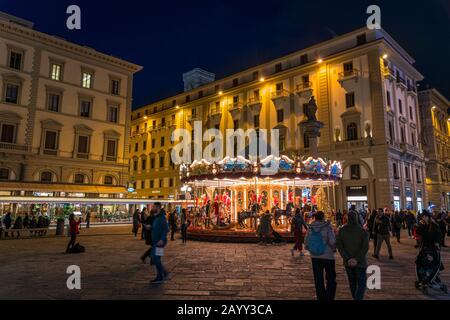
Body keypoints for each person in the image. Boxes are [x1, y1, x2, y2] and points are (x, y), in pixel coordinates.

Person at [336, 211, 369, 300]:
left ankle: (355, 297)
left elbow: (340, 246)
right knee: (361, 282)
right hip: (360, 262)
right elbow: (365, 247)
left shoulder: (342, 230)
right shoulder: (362, 231)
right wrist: (357, 259)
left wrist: (348, 258)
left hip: (348, 262)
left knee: (352, 282)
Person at [305, 211, 337, 300]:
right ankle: (329, 297)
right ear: (323, 217)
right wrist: (334, 247)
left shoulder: (311, 227)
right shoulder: (327, 226)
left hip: (315, 256)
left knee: (318, 279)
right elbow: (332, 241)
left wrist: (312, 249)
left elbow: (306, 242)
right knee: (331, 278)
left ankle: (321, 297)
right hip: (328, 256)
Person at [150, 202, 169, 284]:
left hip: (160, 242)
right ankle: (161, 275)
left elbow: (166, 229)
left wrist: (162, 239)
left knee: (155, 259)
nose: (152, 208)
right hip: (156, 241)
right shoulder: (157, 217)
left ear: (157, 207)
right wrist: (150, 227)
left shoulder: (162, 217)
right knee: (156, 258)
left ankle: (163, 275)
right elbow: (157, 227)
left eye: (153, 206)